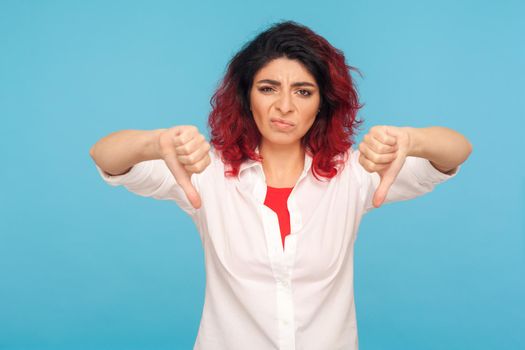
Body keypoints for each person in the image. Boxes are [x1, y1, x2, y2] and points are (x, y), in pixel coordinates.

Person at [90, 20, 472, 350]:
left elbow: (457, 151)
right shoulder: (205, 172)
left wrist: (413, 140)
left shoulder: (354, 174)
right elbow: (104, 155)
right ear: (246, 98)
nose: (285, 107)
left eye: (303, 92)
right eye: (268, 88)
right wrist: (153, 143)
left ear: (323, 104)